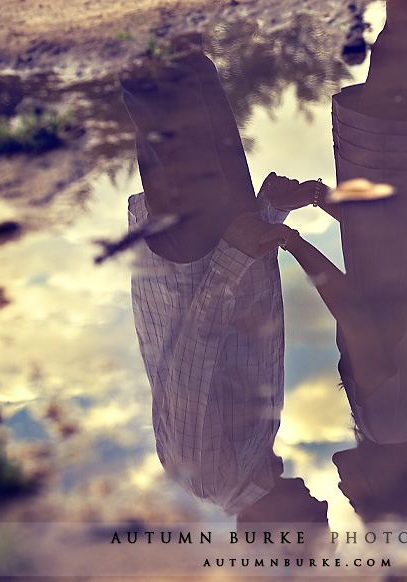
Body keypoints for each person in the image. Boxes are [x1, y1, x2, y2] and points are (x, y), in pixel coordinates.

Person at [269, 0, 407, 518]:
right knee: (403, 39)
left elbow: (392, 270)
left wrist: (322, 201)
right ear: (380, 484)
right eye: (353, 497)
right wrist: (289, 242)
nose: (340, 486)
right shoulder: (389, 424)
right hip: (401, 209)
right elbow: (356, 309)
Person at [122, 36, 327, 527]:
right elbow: (245, 327)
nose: (322, 504)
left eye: (316, 520)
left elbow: (190, 362)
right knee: (194, 73)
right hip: (222, 240)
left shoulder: (209, 477)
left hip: (194, 253)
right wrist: (269, 209)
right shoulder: (256, 454)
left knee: (162, 87)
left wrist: (232, 255)